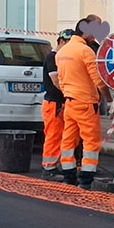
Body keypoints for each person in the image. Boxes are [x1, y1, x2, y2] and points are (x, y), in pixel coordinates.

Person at [56, 18, 113, 188]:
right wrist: (109, 100)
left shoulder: (62, 52)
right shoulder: (85, 51)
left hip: (69, 102)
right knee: (90, 141)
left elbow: (61, 80)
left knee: (68, 140)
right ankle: (86, 179)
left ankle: (68, 176)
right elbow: (99, 81)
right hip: (86, 103)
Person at [40, 29, 74, 181]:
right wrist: (70, 92)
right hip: (54, 103)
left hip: (59, 102)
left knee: (60, 135)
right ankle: (48, 167)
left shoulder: (60, 58)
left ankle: (54, 164)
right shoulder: (52, 58)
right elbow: (56, 81)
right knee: (53, 135)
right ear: (61, 41)